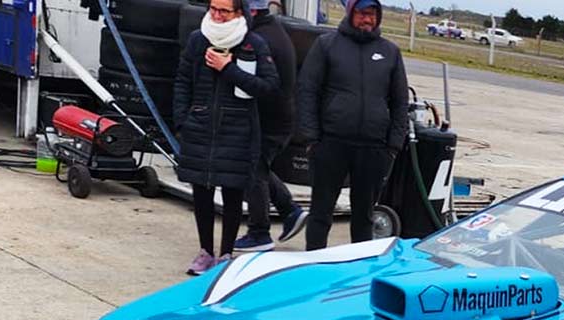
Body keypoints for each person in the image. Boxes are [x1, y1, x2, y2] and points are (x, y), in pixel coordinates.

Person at [173, 0, 279, 275]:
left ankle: (226, 254)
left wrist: (228, 69)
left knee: (232, 192)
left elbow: (268, 87)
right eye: (213, 9)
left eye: (224, 11)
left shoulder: (253, 43)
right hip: (201, 127)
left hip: (238, 130)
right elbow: (183, 81)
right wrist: (182, 121)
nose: (217, 16)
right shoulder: (198, 39)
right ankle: (205, 251)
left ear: (239, 13)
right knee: (202, 192)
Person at [294, 0, 408, 250]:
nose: (367, 19)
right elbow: (307, 90)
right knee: (321, 212)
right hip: (330, 144)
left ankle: (360, 270)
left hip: (374, 148)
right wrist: (311, 138)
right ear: (350, 13)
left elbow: (401, 102)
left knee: (364, 217)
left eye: (372, 14)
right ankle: (314, 264)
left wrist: (394, 145)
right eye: (362, 14)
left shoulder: (390, 52)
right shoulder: (326, 45)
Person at [232, 0, 307, 253]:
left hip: (270, 120)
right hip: (279, 116)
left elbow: (257, 84)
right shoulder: (272, 29)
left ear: (251, 11)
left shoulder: (260, 38)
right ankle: (290, 210)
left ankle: (259, 232)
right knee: (259, 167)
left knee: (253, 171)